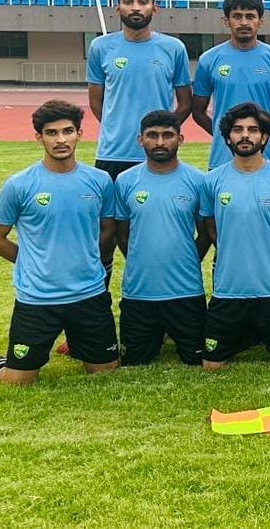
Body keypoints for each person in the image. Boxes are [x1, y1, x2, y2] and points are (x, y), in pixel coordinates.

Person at [0, 101, 119, 384]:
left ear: (79, 134)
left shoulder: (99, 181)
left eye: (68, 131)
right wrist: (30, 260)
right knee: (18, 380)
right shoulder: (20, 184)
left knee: (106, 371)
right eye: (52, 133)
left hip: (89, 295)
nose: (61, 139)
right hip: (38, 299)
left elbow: (108, 230)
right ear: (39, 137)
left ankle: (78, 341)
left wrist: (85, 258)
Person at [199, 103, 270, 369]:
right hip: (228, 289)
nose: (245, 135)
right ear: (228, 137)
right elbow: (209, 224)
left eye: (253, 129)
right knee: (212, 366)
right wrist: (226, 248)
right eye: (238, 130)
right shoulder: (212, 181)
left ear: (265, 137)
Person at [110, 110, 208, 366]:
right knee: (134, 361)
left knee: (198, 360)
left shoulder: (198, 181)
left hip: (186, 292)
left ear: (180, 139)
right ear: (140, 140)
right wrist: (140, 259)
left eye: (168, 135)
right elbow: (122, 233)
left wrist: (187, 260)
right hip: (139, 293)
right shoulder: (125, 180)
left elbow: (206, 232)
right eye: (152, 136)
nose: (161, 142)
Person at [87, 0, 192, 181]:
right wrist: (116, 126)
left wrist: (160, 133)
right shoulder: (99, 47)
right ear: (118, 8)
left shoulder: (174, 49)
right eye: (128, 1)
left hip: (157, 153)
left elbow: (185, 104)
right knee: (111, 214)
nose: (135, 7)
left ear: (154, 8)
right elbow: (95, 103)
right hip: (113, 153)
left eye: (143, 1)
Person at [191, 0, 270, 170]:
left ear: (260, 22)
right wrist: (227, 134)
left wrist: (268, 134)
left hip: (269, 160)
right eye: (237, 16)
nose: (244, 22)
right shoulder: (209, 60)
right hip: (221, 161)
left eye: (250, 16)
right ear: (226, 21)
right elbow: (198, 112)